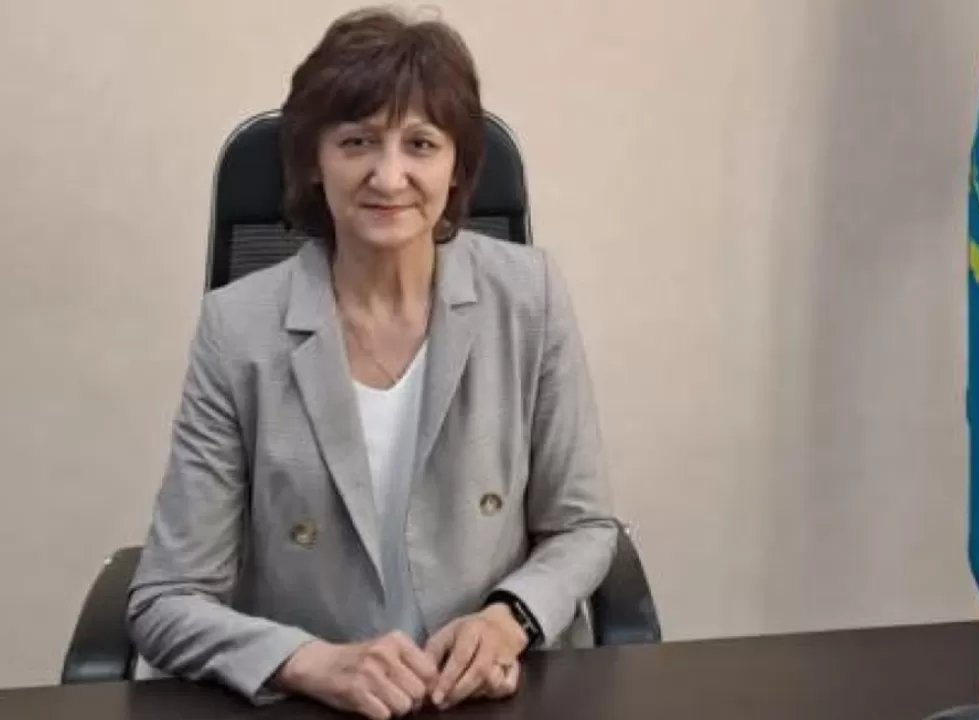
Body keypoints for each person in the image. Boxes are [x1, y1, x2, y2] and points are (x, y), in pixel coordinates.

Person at [126, 8, 617, 718]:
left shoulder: (529, 297)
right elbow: (165, 599)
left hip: (482, 698)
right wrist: (309, 662)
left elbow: (582, 527)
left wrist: (509, 617)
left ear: (457, 167)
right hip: (317, 704)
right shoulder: (236, 330)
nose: (389, 177)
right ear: (314, 162)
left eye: (420, 143)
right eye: (357, 141)